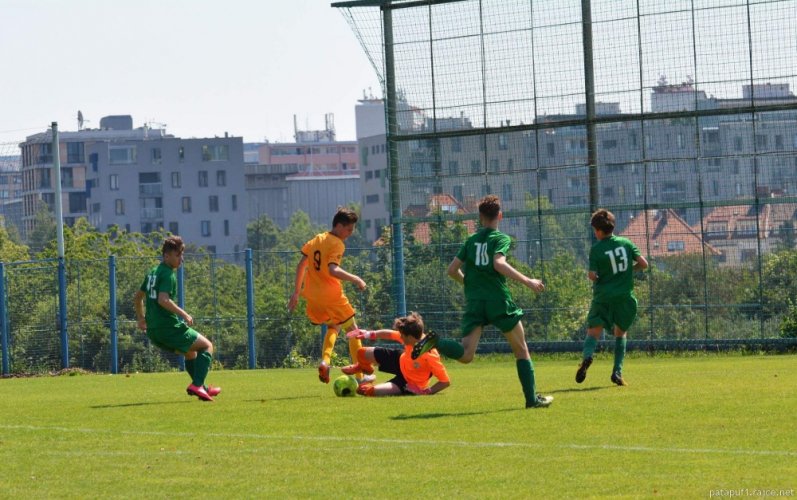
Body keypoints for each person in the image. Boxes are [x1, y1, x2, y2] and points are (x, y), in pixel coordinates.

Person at [412, 195, 553, 409]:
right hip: (497, 299)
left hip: (475, 301)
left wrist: (468, 283)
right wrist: (528, 281)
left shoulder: (471, 241)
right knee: (521, 350)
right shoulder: (500, 238)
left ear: (480, 217)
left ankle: (435, 342)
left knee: (467, 355)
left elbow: (452, 270)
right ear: (500, 216)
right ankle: (531, 399)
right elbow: (498, 263)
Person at [287, 207, 373, 385]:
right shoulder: (337, 243)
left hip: (313, 296)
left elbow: (301, 265)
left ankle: (325, 362)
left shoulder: (317, 239)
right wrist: (356, 279)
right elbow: (332, 270)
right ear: (340, 226)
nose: (350, 233)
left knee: (334, 326)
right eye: (349, 229)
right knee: (354, 332)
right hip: (332, 295)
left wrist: (296, 292)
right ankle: (361, 377)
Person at [134, 236, 220, 402]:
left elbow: (137, 298)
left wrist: (141, 318)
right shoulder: (167, 274)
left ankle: (203, 388)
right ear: (166, 256)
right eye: (177, 255)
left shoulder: (153, 272)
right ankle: (198, 385)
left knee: (189, 352)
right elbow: (163, 300)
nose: (182, 258)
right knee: (207, 346)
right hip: (168, 327)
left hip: (154, 331)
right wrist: (184, 314)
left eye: (182, 254)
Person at [576, 208, 648, 386]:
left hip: (603, 297)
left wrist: (596, 276)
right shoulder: (626, 243)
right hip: (624, 297)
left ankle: (587, 356)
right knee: (620, 333)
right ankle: (617, 371)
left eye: (594, 230)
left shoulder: (597, 249)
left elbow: (592, 275)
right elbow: (643, 264)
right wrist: (629, 270)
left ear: (598, 231)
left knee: (594, 331)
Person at [341, 312, 450, 397]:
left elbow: (445, 381)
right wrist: (367, 334)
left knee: (367, 391)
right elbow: (389, 334)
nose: (400, 337)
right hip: (400, 360)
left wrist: (427, 392)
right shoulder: (411, 336)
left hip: (409, 382)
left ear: (411, 337)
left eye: (402, 335)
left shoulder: (430, 353)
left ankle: (367, 380)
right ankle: (364, 368)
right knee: (362, 353)